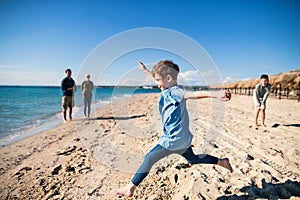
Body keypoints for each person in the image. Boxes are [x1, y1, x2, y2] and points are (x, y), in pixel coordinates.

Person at [114, 60, 233, 197]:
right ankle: (222, 162)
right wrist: (145, 70)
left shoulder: (176, 91)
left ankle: (130, 188)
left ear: (168, 78)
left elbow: (192, 95)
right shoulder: (167, 87)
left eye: (158, 80)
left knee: (149, 159)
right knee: (193, 159)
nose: (157, 83)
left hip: (173, 139)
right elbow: (157, 79)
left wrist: (215, 94)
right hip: (182, 139)